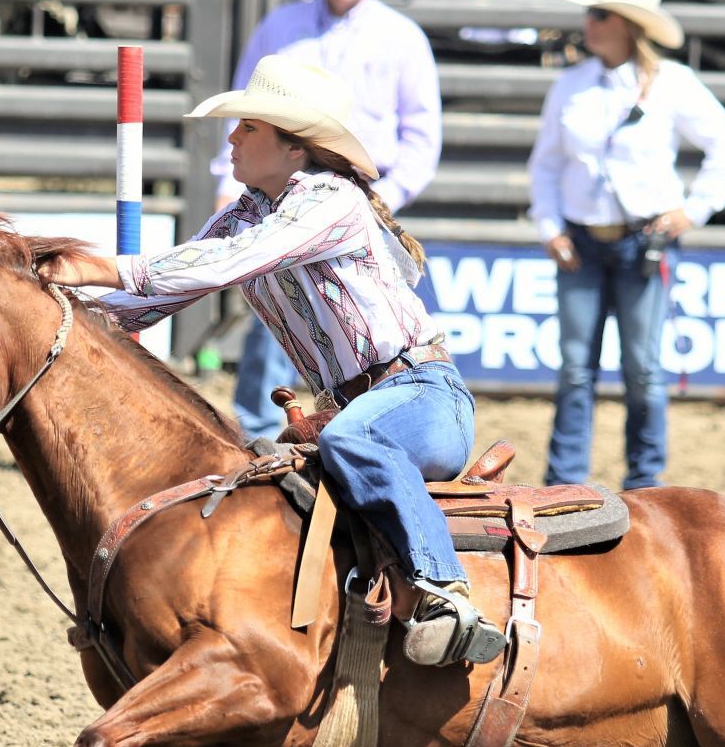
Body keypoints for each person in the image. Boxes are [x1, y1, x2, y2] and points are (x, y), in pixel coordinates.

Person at [40, 55, 502, 676]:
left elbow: (224, 263)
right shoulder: (245, 215)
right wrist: (55, 320)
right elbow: (154, 299)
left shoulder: (330, 201)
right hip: (360, 405)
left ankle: (446, 593)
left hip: (422, 397)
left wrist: (94, 266)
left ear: (294, 148)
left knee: (349, 437)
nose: (232, 138)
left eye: (248, 128)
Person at [220, 0, 442, 441]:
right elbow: (247, 110)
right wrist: (228, 184)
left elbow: (422, 136)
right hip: (282, 185)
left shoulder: (402, 37)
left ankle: (375, 417)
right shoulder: (281, 25)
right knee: (278, 305)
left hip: (359, 192)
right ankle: (260, 427)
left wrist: (374, 200)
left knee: (366, 318)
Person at [528, 0, 725, 490]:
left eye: (600, 14)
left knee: (642, 370)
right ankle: (566, 484)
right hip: (582, 239)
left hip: (642, 240)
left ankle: (645, 484)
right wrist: (550, 227)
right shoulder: (572, 84)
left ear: (627, 24)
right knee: (577, 369)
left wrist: (692, 210)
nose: (590, 22)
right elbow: (547, 164)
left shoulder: (672, 85)